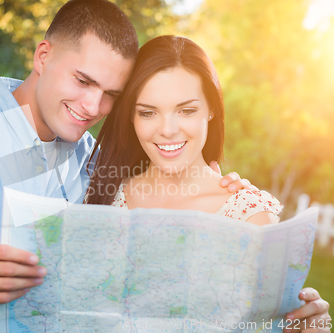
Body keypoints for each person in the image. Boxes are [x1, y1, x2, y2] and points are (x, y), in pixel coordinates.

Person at [0, 0, 326, 331]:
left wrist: (234, 201)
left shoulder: (94, 165)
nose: (91, 106)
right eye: (83, 81)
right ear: (43, 56)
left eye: (110, 95)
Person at [86, 35, 331, 331]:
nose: (167, 130)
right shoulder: (103, 195)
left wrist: (309, 327)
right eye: (147, 112)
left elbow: (274, 323)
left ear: (211, 109)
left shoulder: (250, 218)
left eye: (186, 110)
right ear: (131, 117)